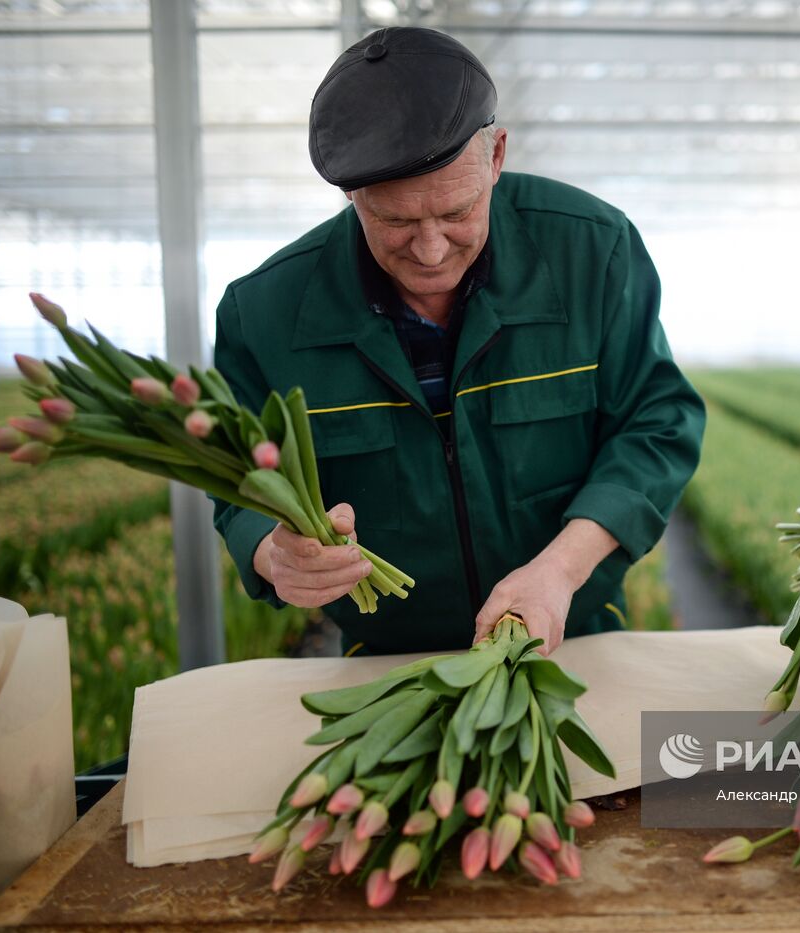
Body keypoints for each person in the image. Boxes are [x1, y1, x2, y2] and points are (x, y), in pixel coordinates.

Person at [210, 26, 705, 657]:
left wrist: (560, 570)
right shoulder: (265, 313)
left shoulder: (591, 252)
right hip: (385, 672)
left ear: (496, 156)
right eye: (393, 220)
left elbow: (657, 421)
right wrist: (273, 554)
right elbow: (237, 479)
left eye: (455, 212)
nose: (431, 249)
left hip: (571, 642)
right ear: (350, 193)